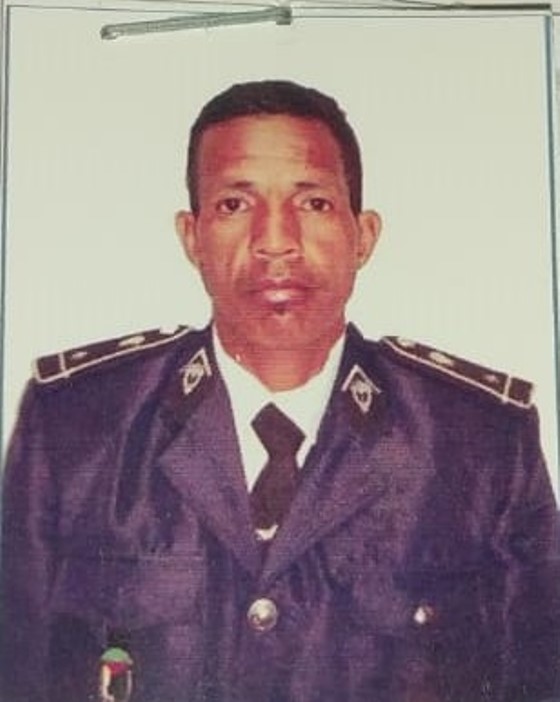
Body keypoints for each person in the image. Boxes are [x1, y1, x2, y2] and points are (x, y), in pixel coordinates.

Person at [1, 80, 559, 702]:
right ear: (192, 236)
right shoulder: (75, 432)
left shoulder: (480, 445)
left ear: (363, 235)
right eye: (234, 204)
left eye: (313, 203)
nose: (275, 240)